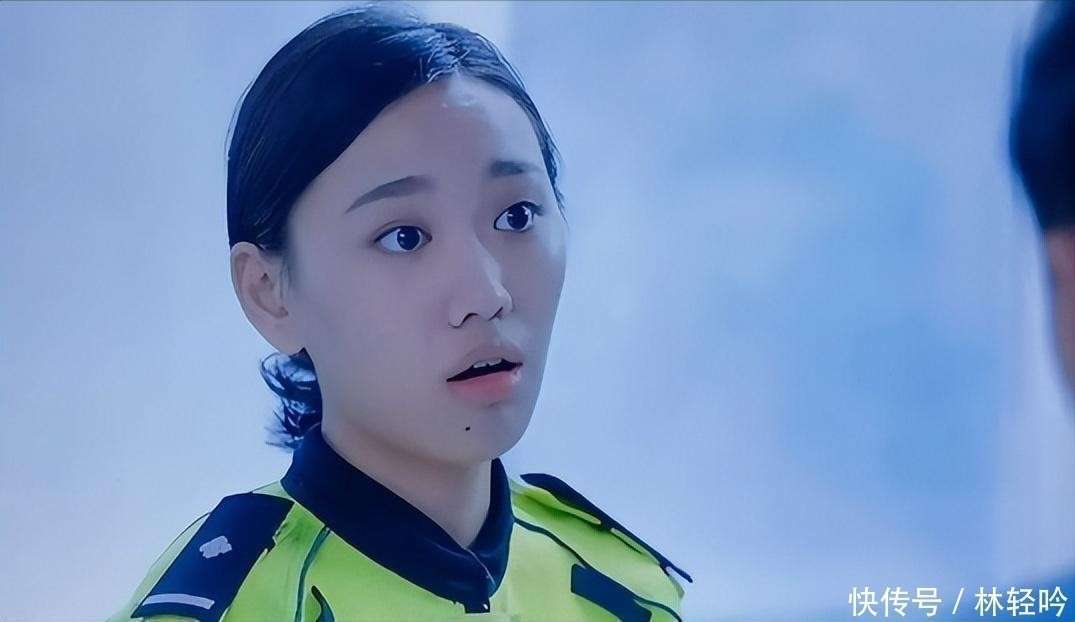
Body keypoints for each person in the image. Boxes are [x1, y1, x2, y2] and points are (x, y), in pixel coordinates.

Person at [106, 3, 690, 621]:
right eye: (404, 237)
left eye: (515, 216)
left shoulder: (623, 591)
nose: (485, 293)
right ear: (268, 291)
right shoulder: (243, 607)